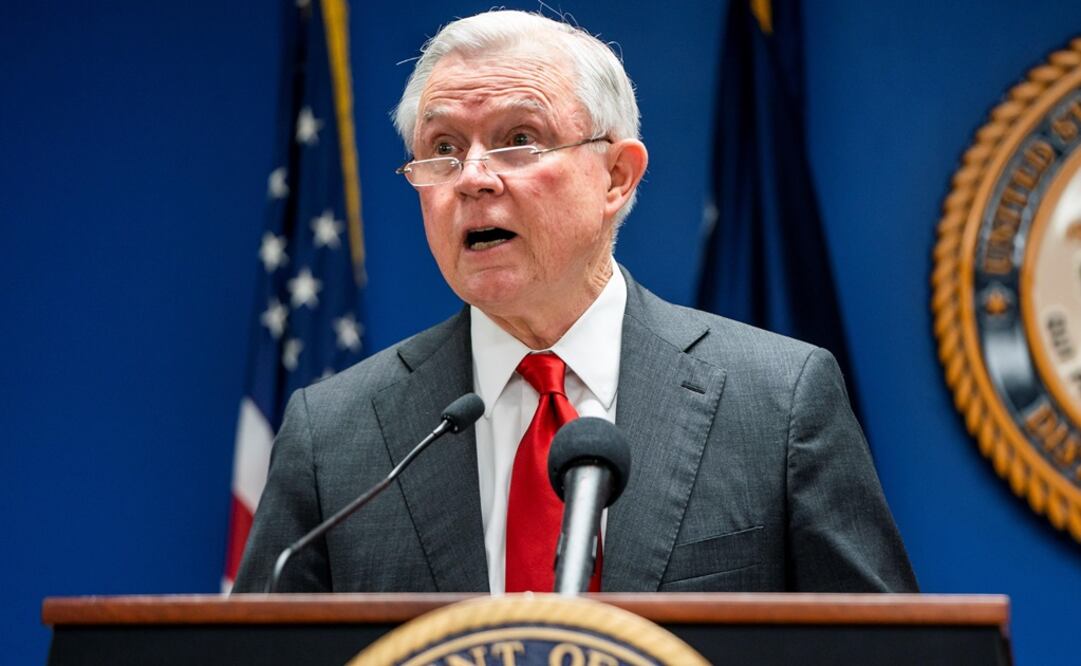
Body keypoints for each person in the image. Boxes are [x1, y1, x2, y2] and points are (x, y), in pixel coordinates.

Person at [234, 10, 917, 594]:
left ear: (616, 176)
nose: (472, 178)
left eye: (518, 139)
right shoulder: (334, 433)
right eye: (441, 148)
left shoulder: (777, 401)